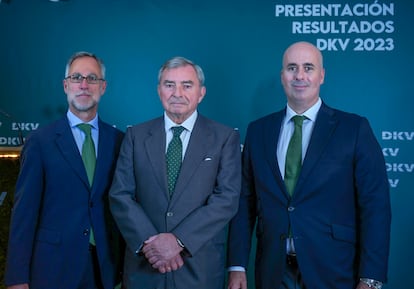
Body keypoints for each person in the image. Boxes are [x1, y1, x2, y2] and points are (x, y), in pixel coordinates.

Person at [227, 41, 391, 289]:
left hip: (335, 270)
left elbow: (375, 206)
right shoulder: (259, 131)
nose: (300, 75)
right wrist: (237, 265)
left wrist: (371, 278)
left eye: (308, 67)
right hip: (273, 271)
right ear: (282, 76)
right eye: (292, 68)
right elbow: (244, 202)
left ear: (322, 75)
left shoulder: (354, 129)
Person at [109, 56, 241, 289]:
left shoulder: (224, 138)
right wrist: (153, 246)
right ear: (159, 90)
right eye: (169, 85)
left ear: (201, 93)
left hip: (198, 269)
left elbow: (226, 199)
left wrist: (178, 241)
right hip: (145, 268)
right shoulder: (135, 136)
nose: (177, 93)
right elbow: (120, 195)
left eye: (186, 85)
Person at [4, 51, 124, 289]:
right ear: (65, 85)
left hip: (105, 269)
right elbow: (24, 214)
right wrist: (17, 278)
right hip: (53, 269)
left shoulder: (119, 141)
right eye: (77, 77)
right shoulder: (40, 141)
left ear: (103, 87)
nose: (84, 85)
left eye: (92, 78)